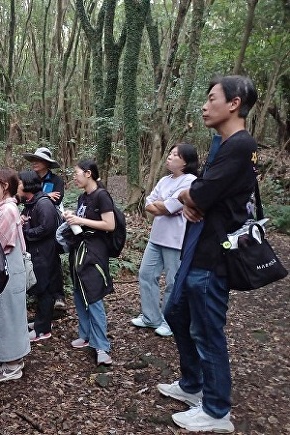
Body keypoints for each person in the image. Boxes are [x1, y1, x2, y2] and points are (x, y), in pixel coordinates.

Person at [157, 75, 258, 434]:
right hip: (196, 246)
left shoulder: (241, 146)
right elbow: (199, 189)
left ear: (233, 103)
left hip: (216, 253)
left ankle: (216, 411)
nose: (204, 104)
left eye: (212, 97)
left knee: (206, 328)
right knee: (175, 310)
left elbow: (198, 193)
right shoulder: (221, 144)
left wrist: (190, 198)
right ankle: (191, 384)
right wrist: (193, 197)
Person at [130, 143, 199, 337]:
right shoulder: (164, 180)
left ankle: (170, 321)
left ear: (186, 162)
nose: (169, 157)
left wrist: (162, 207)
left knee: (172, 282)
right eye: (170, 153)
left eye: (175, 155)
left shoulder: (190, 181)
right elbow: (149, 203)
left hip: (176, 240)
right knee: (146, 274)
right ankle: (151, 317)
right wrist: (162, 207)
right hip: (156, 237)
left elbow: (170, 207)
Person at [63, 160, 115, 366]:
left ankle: (102, 346)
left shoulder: (101, 196)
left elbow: (110, 224)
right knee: (79, 293)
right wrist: (72, 217)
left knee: (93, 297)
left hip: (94, 253)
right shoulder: (83, 197)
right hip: (79, 250)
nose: (74, 177)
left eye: (76, 173)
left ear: (88, 173)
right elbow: (83, 221)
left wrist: (81, 221)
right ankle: (85, 335)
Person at [0, 168, 31, 382]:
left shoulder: (7, 211)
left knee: (8, 316)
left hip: (8, 272)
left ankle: (12, 364)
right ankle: (8, 359)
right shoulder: (6, 208)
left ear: (5, 186)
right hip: (10, 271)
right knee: (8, 315)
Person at [18, 170, 62, 342]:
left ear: (28, 185)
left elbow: (46, 228)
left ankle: (43, 329)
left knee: (45, 290)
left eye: (20, 183)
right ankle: (41, 322)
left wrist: (25, 231)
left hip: (44, 254)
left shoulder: (43, 203)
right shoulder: (30, 203)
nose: (18, 187)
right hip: (36, 253)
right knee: (39, 289)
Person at [23, 146, 67, 309]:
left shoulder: (56, 181)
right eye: (33, 160)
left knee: (52, 259)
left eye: (38, 160)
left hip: (50, 222)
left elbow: (56, 200)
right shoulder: (30, 178)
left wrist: (41, 196)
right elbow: (24, 197)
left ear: (47, 163)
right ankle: (39, 293)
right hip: (32, 219)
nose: (34, 163)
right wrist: (45, 195)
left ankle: (58, 296)